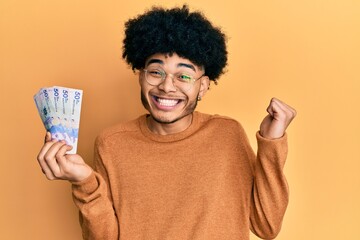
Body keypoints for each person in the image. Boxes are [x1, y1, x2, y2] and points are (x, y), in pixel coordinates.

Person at [37, 5, 296, 240]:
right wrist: (84, 182)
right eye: (156, 72)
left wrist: (271, 145)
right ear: (140, 76)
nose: (167, 86)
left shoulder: (227, 135)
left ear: (203, 86)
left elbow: (267, 225)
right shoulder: (112, 143)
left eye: (183, 75)